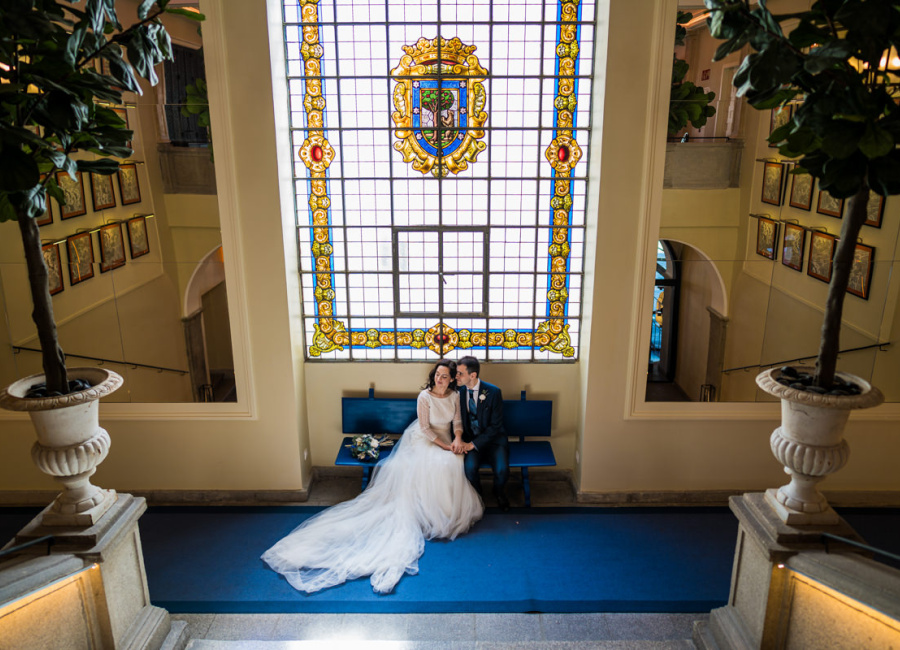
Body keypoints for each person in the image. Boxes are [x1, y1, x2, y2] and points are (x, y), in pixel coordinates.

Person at [261, 359, 483, 594]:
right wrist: (444, 447)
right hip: (425, 440)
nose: (440, 379)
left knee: (454, 460)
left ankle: (446, 510)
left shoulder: (454, 397)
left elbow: (457, 422)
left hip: (447, 439)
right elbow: (426, 429)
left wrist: (457, 440)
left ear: (451, 380)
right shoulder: (425, 397)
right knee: (437, 462)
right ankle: (427, 511)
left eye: (445, 376)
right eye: (437, 375)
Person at [454, 356, 510, 511]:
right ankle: (477, 496)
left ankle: (499, 491)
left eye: (460, 374)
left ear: (472, 375)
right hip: (470, 440)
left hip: (494, 441)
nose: (456, 377)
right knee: (469, 468)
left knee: (502, 469)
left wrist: (473, 445)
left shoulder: (493, 392)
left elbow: (496, 426)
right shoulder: (457, 392)